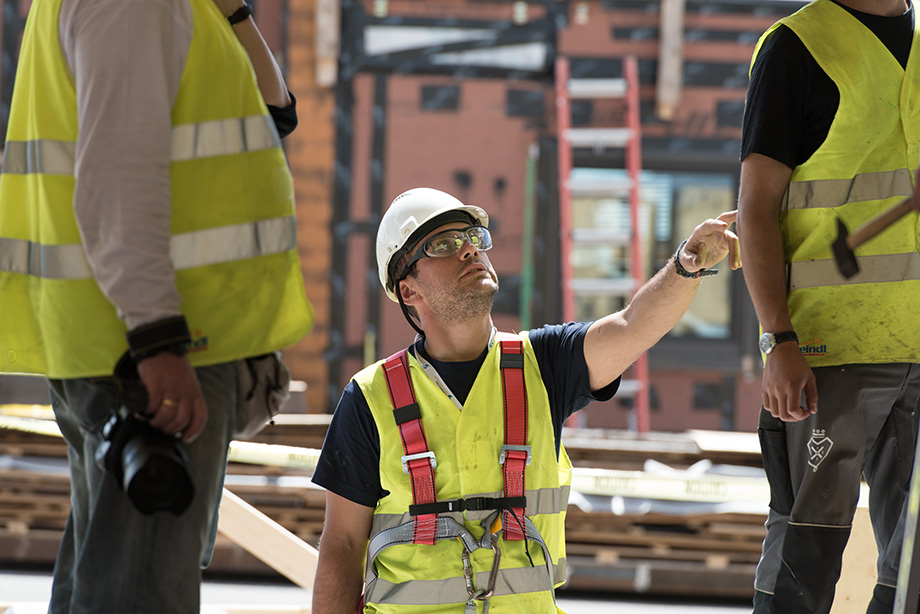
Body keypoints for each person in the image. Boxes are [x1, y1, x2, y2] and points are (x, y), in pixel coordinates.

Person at [0, 0, 313, 611]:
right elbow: (119, 175)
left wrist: (234, 11)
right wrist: (156, 340)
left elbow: (273, 114)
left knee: (110, 577)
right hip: (149, 352)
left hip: (135, 344)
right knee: (136, 593)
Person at [311, 187, 741, 613]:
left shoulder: (544, 363)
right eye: (443, 244)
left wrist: (688, 263)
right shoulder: (371, 397)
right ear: (408, 292)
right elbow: (343, 544)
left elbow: (631, 327)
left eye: (473, 237)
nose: (468, 250)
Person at [737, 1, 920, 612]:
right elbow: (756, 209)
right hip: (828, 355)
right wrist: (777, 340)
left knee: (915, 568)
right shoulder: (799, 48)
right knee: (805, 557)